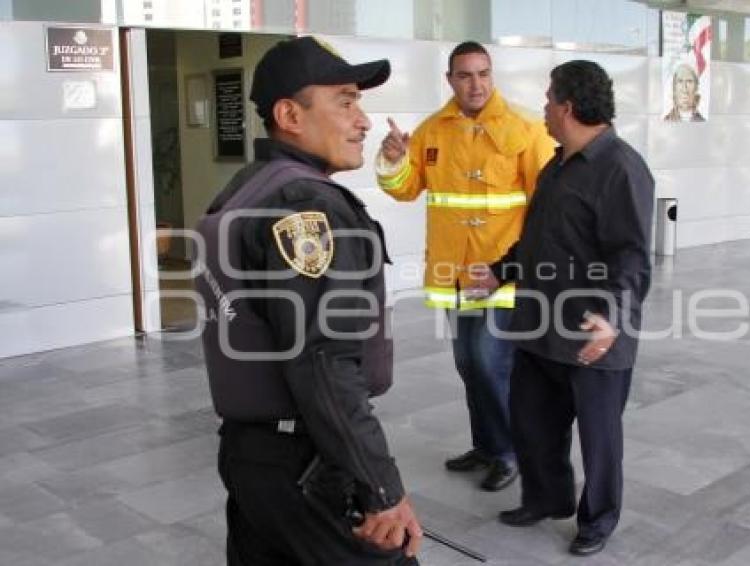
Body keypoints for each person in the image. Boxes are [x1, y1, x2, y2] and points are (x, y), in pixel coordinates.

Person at [194, 36, 422, 565]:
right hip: (304, 462)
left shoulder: (246, 191)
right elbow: (323, 362)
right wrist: (381, 491)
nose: (363, 120)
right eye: (345, 101)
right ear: (289, 115)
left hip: (253, 457)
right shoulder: (309, 208)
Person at [471, 60, 654, 557]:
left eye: (549, 99)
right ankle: (546, 499)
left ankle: (598, 518)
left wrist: (611, 317)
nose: (544, 109)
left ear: (568, 107)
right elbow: (535, 241)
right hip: (540, 327)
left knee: (599, 438)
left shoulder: (621, 168)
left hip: (592, 335)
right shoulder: (557, 165)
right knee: (532, 423)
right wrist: (502, 270)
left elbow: (633, 256)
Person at [375, 41, 554, 492]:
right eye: (465, 75)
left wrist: (525, 265)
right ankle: (487, 445)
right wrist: (394, 160)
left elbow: (547, 201)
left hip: (501, 269)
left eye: (483, 74)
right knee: (467, 363)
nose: (476, 84)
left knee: (490, 361)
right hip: (455, 271)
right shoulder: (433, 131)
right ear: (450, 79)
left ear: (492, 76)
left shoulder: (526, 129)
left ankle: (509, 452)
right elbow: (405, 188)